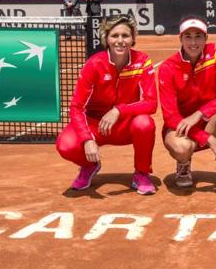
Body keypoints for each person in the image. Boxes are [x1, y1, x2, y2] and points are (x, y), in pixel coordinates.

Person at [56, 15, 158, 195]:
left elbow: (151, 103)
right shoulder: (94, 64)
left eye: (125, 36)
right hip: (95, 126)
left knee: (145, 123)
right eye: (115, 35)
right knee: (66, 144)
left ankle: (142, 173)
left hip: (125, 125)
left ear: (133, 37)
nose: (120, 41)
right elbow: (76, 107)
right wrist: (87, 138)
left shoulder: (142, 61)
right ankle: (89, 165)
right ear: (106, 38)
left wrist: (119, 110)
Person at [158, 17, 216, 199]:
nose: (193, 42)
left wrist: (200, 114)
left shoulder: (215, 53)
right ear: (180, 39)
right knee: (181, 148)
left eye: (198, 36)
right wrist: (206, 138)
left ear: (206, 38)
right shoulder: (168, 67)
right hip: (180, 127)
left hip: (209, 121)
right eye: (188, 36)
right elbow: (170, 117)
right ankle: (183, 165)